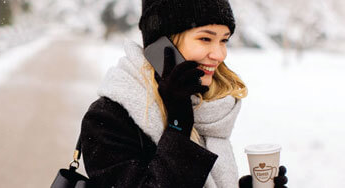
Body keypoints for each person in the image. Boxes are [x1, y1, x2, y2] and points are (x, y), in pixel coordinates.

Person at [80, 0, 288, 187]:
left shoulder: (207, 109)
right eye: (206, 38)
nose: (219, 54)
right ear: (163, 46)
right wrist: (178, 125)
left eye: (224, 40)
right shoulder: (108, 117)